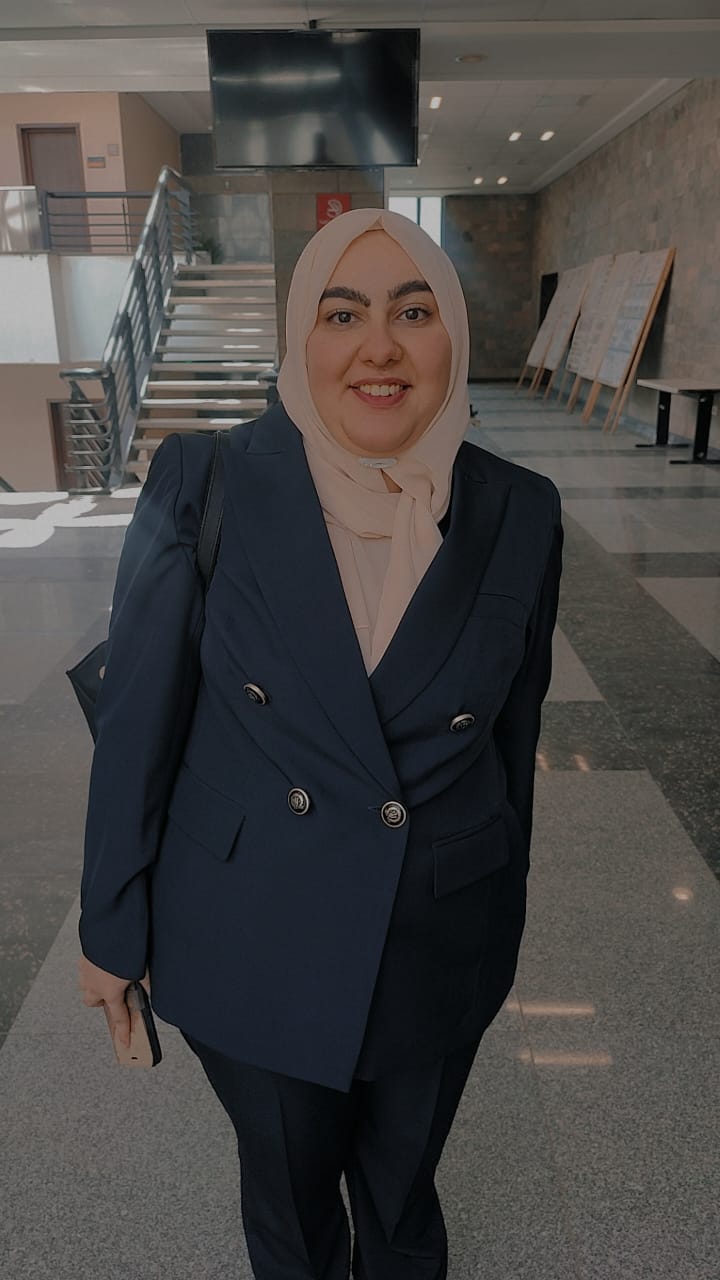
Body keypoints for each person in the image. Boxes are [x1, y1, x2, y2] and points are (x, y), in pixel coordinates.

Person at [77, 207, 562, 1280]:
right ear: (302, 337)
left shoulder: (521, 510)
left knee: (403, 1199)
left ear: (453, 334)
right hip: (248, 927)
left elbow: (513, 737)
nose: (378, 347)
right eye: (343, 315)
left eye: (413, 312)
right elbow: (138, 720)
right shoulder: (205, 479)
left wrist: (497, 910)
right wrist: (110, 925)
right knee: (291, 1204)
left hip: (439, 933)